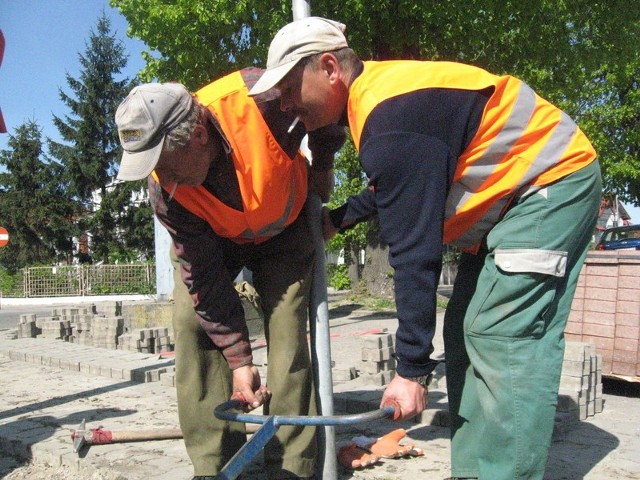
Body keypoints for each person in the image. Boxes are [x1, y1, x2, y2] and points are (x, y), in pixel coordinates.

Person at [249, 17, 602, 480]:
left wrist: (411, 370)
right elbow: (401, 187)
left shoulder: (391, 119)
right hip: (510, 201)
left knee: (498, 333)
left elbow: (414, 251)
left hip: (548, 185)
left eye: (292, 89)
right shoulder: (381, 102)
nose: (290, 106)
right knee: (461, 330)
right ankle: (474, 472)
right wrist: (339, 218)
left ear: (330, 67)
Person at [115, 70, 345, 480]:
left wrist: (323, 166)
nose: (165, 180)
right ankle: (214, 463)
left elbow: (327, 111)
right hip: (217, 241)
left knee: (287, 327)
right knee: (191, 321)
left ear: (198, 136)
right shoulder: (165, 193)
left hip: (285, 227)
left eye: (165, 164)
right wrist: (239, 360)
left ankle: (292, 466)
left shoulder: (264, 98)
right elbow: (202, 278)